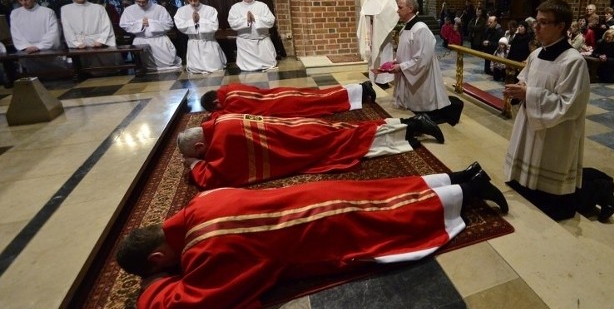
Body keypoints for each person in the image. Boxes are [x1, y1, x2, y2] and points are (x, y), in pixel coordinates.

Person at [115, 166, 507, 309]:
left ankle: (468, 194)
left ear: (156, 258)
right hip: (310, 195)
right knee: (381, 193)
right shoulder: (200, 203)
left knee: (390, 224)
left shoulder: (208, 253)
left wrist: (153, 287)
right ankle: (457, 176)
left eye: (161, 267)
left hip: (317, 229)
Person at [177, 111, 444, 189]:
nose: (204, 157)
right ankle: (408, 126)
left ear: (201, 145)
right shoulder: (218, 122)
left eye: (201, 153)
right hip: (297, 126)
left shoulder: (222, 141)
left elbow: (212, 178)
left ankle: (412, 126)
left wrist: (193, 163)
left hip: (300, 143)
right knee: (351, 132)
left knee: (352, 143)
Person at [503, 0, 593, 214]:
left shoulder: (573, 61)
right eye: (537, 22)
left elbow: (570, 105)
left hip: (555, 132)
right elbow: (525, 81)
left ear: (561, 26)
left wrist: (529, 94)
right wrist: (519, 90)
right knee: (523, 180)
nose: (537, 27)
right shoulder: (535, 54)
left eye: (543, 23)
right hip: (529, 123)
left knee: (547, 185)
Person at [384, 0, 462, 125]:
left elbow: (421, 60)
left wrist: (401, 67)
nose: (397, 10)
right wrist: (397, 61)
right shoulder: (406, 27)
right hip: (409, 70)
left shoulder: (421, 29)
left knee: (424, 106)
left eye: (400, 7)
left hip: (422, 76)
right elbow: (407, 50)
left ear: (410, 8)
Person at [199, 81, 376, 116]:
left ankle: (360, 89)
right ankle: (358, 88)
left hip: (281, 105)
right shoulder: (230, 87)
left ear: (216, 102)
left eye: (216, 109)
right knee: (319, 95)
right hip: (279, 93)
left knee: (321, 102)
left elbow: (229, 117)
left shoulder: (231, 103)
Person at [60, 0, 123, 71]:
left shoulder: (98, 8)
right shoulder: (65, 9)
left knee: (106, 67)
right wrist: (76, 43)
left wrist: (101, 40)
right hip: (80, 42)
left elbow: (107, 25)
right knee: (85, 68)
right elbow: (67, 28)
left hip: (97, 41)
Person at [119, 0, 183, 72]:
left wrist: (151, 23)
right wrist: (140, 23)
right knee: (144, 64)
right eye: (138, 2)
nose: (141, 4)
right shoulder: (129, 10)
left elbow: (169, 24)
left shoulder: (159, 9)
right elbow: (124, 25)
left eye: (143, 2)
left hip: (159, 39)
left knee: (167, 63)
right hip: (141, 39)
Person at [357, 0, 397, 87]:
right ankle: (373, 76)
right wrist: (364, 14)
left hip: (382, 29)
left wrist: (375, 15)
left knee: (383, 52)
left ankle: (384, 79)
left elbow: (389, 11)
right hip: (372, 27)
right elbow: (366, 8)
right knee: (373, 52)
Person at [10, 0, 66, 74]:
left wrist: (39, 46)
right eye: (20, 0)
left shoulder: (47, 12)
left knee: (56, 73)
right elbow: (15, 33)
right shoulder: (15, 13)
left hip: (46, 48)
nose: (24, 3)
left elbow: (53, 32)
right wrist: (26, 46)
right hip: (27, 49)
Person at [173, 0, 227, 74]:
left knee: (215, 68)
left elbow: (214, 26)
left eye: (195, 0)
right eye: (190, 0)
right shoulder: (181, 11)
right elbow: (180, 25)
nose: (193, 3)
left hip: (208, 42)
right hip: (194, 42)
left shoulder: (210, 10)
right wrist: (193, 22)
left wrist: (200, 20)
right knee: (195, 69)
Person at [228, 0, 277, 71]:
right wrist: (246, 20)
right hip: (245, 44)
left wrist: (256, 19)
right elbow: (232, 23)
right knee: (246, 69)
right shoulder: (235, 7)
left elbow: (271, 21)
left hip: (262, 41)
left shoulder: (262, 6)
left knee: (269, 64)